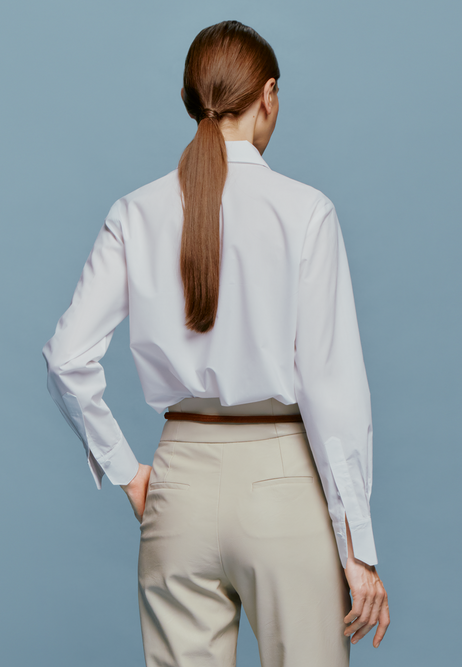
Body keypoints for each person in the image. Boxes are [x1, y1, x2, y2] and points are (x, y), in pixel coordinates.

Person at [42, 19, 390, 667]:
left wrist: (126, 470)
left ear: (189, 100)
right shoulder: (306, 211)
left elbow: (65, 358)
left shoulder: (134, 212)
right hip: (285, 485)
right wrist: (358, 548)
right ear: (269, 95)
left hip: (179, 484)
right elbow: (331, 390)